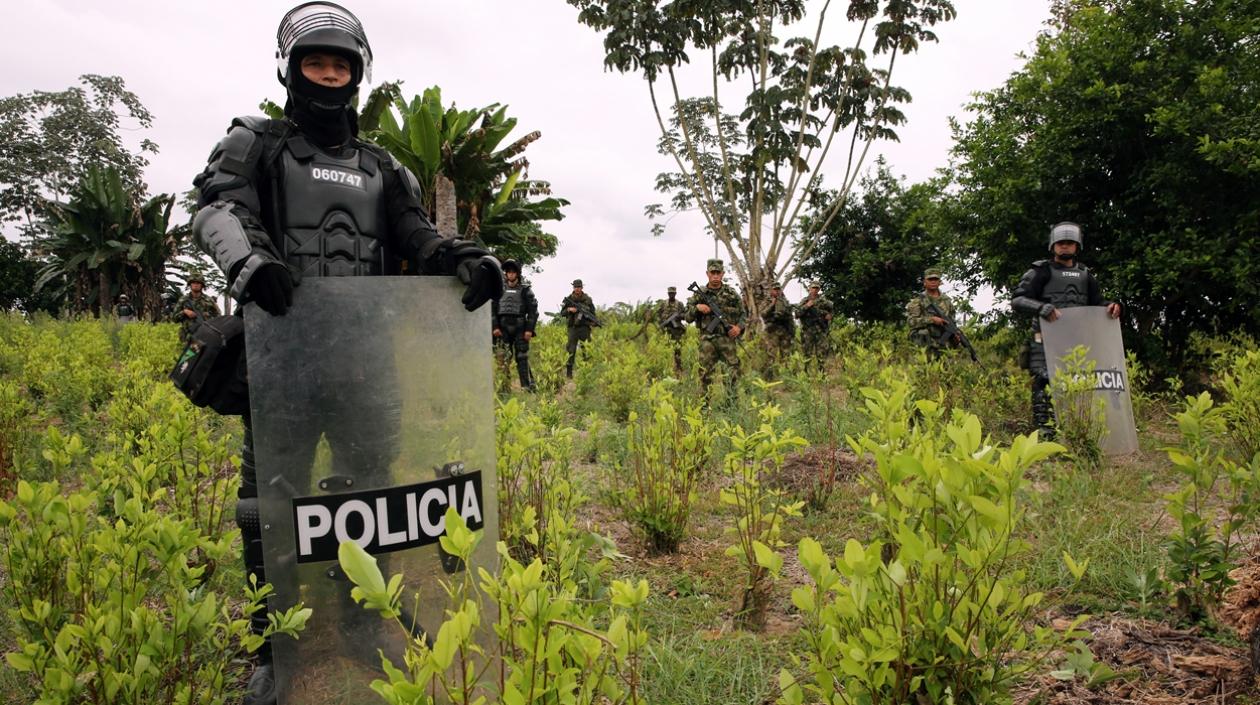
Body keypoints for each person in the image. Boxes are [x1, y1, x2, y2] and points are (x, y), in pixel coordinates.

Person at [190, 4, 501, 703]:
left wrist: (464, 259)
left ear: (357, 75)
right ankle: (272, 645)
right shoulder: (257, 143)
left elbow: (418, 237)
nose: (329, 74)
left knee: (372, 495)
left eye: (341, 64)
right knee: (269, 502)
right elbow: (216, 208)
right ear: (291, 70)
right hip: (282, 362)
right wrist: (249, 261)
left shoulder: (383, 166)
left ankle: (364, 621)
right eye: (316, 62)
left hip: (366, 363)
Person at [1011, 222, 1120, 438]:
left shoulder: (1085, 274)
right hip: (1045, 339)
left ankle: (1076, 433)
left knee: (1080, 385)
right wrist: (1041, 307)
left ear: (1076, 246)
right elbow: (1018, 299)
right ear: (1053, 246)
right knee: (1044, 382)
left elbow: (1097, 303)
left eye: (1069, 242)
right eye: (1061, 242)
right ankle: (1045, 434)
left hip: (1077, 341)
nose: (1065, 246)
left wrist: (1112, 307)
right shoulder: (1041, 271)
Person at [685, 259, 745, 391]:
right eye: (713, 273)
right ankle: (705, 403)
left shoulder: (732, 294)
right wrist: (697, 308)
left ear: (722, 274)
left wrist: (738, 327)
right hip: (707, 341)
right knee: (705, 376)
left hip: (727, 340)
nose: (716, 276)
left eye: (718, 273)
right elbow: (687, 317)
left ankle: (731, 402)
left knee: (732, 376)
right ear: (707, 274)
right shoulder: (699, 294)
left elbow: (743, 314)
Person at [492, 259, 538, 392]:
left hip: (520, 328)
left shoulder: (525, 290)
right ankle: (504, 388)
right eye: (508, 272)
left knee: (522, 357)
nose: (511, 274)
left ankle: (526, 387)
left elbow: (533, 312)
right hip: (502, 328)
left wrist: (529, 330)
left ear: (517, 273)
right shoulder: (498, 289)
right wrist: (495, 327)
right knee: (503, 357)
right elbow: (492, 310)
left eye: (513, 272)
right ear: (506, 274)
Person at [906, 267, 961, 356]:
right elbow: (911, 322)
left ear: (940, 282)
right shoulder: (918, 301)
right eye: (930, 279)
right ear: (924, 282)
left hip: (944, 345)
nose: (933, 282)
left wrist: (955, 336)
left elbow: (952, 322)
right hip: (924, 346)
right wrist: (931, 320)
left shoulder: (947, 301)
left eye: (936, 279)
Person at [560, 279, 596, 378]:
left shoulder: (588, 299)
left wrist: (593, 322)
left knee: (586, 350)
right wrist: (569, 309)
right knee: (571, 350)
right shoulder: (568, 299)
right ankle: (569, 374)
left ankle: (587, 372)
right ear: (573, 287)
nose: (577, 289)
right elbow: (562, 313)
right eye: (576, 287)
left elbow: (593, 313)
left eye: (579, 287)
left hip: (585, 327)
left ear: (582, 287)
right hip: (573, 328)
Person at [171, 272, 221, 343]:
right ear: (190, 284)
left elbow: (218, 317)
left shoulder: (209, 300)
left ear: (202, 285)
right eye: (193, 283)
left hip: (206, 335)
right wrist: (184, 312)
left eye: (198, 283)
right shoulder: (183, 300)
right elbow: (174, 318)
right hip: (188, 336)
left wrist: (207, 316)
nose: (196, 285)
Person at [759, 281, 795, 369]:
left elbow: (790, 316)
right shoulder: (767, 301)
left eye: (778, 289)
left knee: (786, 354)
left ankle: (786, 372)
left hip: (784, 330)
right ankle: (771, 373)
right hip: (772, 331)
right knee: (771, 354)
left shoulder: (784, 301)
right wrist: (772, 304)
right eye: (775, 289)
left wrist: (792, 330)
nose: (777, 291)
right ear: (771, 290)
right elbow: (763, 314)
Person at [795, 282, 834, 359]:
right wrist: (807, 306)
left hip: (821, 331)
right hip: (807, 331)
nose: (815, 290)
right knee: (807, 355)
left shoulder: (824, 301)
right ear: (809, 289)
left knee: (822, 355)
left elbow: (831, 311)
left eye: (817, 288)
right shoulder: (805, 301)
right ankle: (806, 366)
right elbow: (797, 314)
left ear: (819, 289)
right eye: (813, 288)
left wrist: (830, 316)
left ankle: (821, 367)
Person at [656, 286, 687, 372]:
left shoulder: (680, 304)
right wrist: (662, 321)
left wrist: (678, 317)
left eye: (673, 293)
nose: (671, 295)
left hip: (676, 330)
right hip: (666, 329)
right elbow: (658, 314)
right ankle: (665, 366)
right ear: (668, 294)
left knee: (677, 349)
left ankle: (678, 367)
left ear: (675, 294)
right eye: (670, 293)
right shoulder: (663, 304)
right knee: (664, 348)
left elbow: (685, 315)